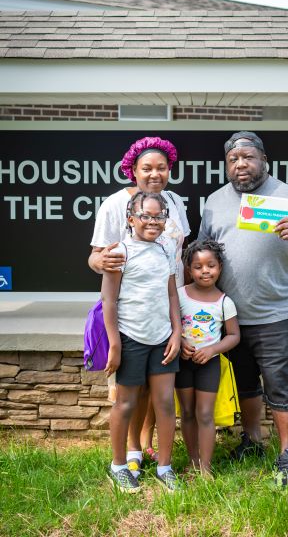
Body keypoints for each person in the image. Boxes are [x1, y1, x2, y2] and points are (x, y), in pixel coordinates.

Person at [198, 131, 288, 487]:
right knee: (245, 382)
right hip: (231, 315)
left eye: (248, 157)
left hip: (277, 310)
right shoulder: (213, 202)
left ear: (264, 161)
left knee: (279, 383)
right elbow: (202, 255)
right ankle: (252, 441)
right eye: (233, 159)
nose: (241, 164)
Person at [89, 136, 190, 468]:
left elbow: (179, 256)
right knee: (130, 391)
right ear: (133, 170)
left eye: (162, 168)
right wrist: (103, 263)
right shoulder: (115, 205)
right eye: (147, 168)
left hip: (166, 308)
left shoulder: (174, 202)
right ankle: (131, 452)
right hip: (131, 312)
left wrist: (180, 321)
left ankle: (150, 448)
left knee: (158, 391)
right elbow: (97, 258)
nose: (155, 174)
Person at [102, 191, 181, 492]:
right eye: (145, 216)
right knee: (126, 402)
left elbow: (172, 293)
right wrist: (115, 344)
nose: (152, 221)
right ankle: (119, 465)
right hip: (131, 337)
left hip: (163, 337)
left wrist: (176, 332)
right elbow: (109, 301)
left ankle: (165, 466)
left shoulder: (166, 248)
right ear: (131, 218)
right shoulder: (120, 252)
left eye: (158, 216)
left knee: (163, 403)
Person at [175, 239, 240, 475]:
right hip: (182, 364)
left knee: (204, 413)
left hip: (209, 365)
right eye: (198, 266)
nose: (205, 271)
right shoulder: (179, 296)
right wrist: (180, 343)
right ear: (189, 270)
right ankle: (192, 461)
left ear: (219, 267)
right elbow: (169, 326)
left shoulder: (225, 302)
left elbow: (234, 336)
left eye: (210, 265)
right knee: (188, 412)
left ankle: (206, 467)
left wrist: (212, 350)